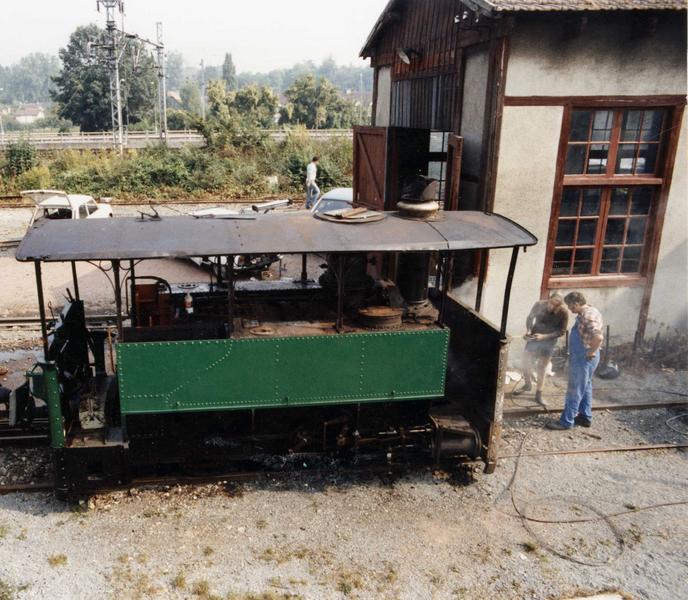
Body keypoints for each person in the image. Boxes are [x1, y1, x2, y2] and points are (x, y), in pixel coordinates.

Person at [546, 291, 604, 430]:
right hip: (585, 357)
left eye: (571, 306)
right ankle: (585, 417)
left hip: (584, 358)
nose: (570, 310)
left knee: (575, 389)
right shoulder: (591, 309)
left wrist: (591, 351)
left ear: (577, 304)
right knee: (586, 386)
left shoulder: (587, 317)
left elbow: (599, 337)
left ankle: (566, 421)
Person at [513, 293, 568, 407]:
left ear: (560, 305)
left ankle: (539, 394)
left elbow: (561, 331)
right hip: (534, 336)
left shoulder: (564, 312)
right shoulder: (539, 304)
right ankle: (527, 384)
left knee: (542, 367)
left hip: (549, 340)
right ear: (549, 299)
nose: (552, 307)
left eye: (556, 305)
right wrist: (528, 330)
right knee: (525, 361)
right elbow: (530, 317)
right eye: (551, 303)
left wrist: (544, 337)